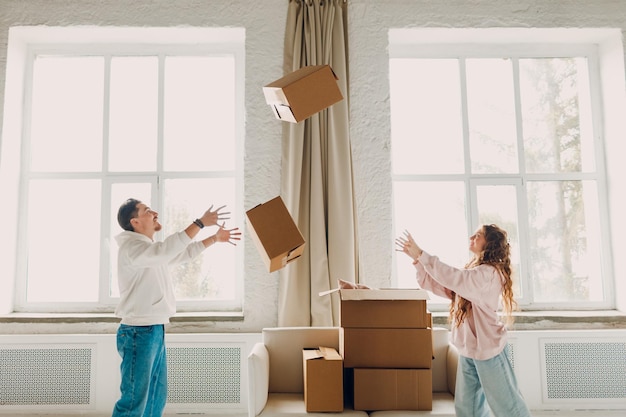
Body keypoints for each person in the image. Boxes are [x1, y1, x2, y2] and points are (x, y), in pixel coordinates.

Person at [112, 198, 241, 417]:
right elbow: (167, 250)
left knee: (156, 396)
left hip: (154, 330)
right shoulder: (132, 248)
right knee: (134, 400)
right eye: (146, 210)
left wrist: (214, 238)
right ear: (135, 222)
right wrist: (199, 223)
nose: (154, 212)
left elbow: (182, 254)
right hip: (138, 332)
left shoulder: (148, 250)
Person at [396, 224, 532, 417]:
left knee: (508, 408)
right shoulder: (475, 272)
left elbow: (454, 278)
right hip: (469, 350)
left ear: (490, 243)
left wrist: (422, 255)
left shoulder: (488, 273)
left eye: (478, 236)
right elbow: (439, 284)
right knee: (467, 410)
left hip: (488, 350)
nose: (472, 237)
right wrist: (418, 261)